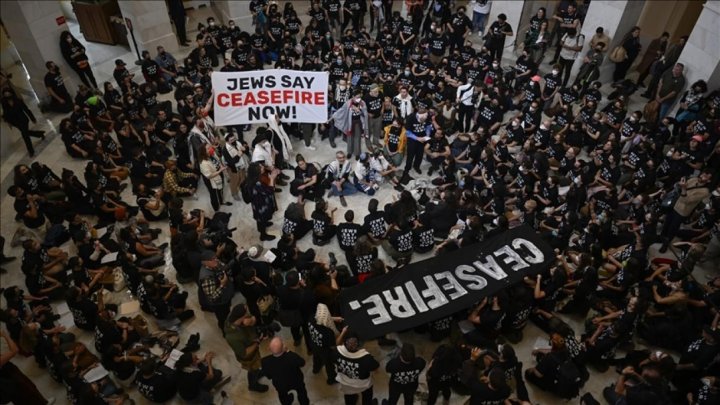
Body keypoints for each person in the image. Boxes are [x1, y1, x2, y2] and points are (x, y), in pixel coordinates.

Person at [660, 171, 712, 252]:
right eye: (703, 174)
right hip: (675, 204)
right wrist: (680, 185)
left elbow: (687, 200)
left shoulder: (705, 191)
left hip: (682, 211)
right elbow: (680, 188)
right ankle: (661, 237)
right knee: (667, 222)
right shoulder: (694, 179)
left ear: (708, 181)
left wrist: (683, 188)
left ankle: (666, 243)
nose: (702, 176)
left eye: (705, 176)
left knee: (673, 228)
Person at [224, 304, 269, 392]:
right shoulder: (232, 337)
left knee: (256, 368)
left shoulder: (235, 318)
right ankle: (253, 385)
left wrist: (252, 320)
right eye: (246, 313)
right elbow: (244, 353)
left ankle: (257, 372)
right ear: (241, 317)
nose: (248, 313)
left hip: (252, 345)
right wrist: (258, 341)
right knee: (252, 370)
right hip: (248, 357)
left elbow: (252, 318)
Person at [335, 328, 380, 405]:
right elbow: (375, 368)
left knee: (349, 396)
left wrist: (343, 332)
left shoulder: (337, 352)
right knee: (367, 396)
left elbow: (337, 344)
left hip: (345, 382)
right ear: (358, 343)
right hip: (363, 384)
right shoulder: (366, 358)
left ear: (344, 342)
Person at [261, 336, 309, 405]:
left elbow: (269, 376)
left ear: (269, 349)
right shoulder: (291, 357)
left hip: (281, 385)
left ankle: (286, 403)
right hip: (296, 381)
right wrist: (288, 351)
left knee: (282, 395)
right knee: (302, 392)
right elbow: (302, 363)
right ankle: (304, 403)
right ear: (283, 347)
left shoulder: (265, 361)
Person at [197, 250, 234, 333]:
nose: (216, 260)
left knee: (227, 311)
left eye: (216, 258)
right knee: (223, 317)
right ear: (205, 262)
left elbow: (223, 267)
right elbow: (212, 297)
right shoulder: (206, 277)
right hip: (219, 303)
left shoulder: (214, 263)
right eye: (212, 259)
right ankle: (225, 330)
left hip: (225, 295)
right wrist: (222, 284)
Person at [1, 87, 45, 157]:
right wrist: (8, 121)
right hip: (14, 122)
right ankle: (39, 134)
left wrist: (32, 118)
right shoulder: (3, 102)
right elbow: (6, 112)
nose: (7, 96)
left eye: (8, 94)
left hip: (23, 120)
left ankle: (31, 151)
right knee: (26, 132)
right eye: (6, 95)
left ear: (12, 94)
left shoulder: (18, 101)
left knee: (25, 135)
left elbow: (26, 110)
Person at [246, 162, 278, 241]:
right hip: (261, 205)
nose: (263, 167)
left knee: (260, 219)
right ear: (256, 171)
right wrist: (272, 179)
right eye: (260, 168)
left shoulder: (251, 178)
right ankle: (263, 235)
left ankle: (263, 225)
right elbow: (270, 190)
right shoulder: (257, 183)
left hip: (257, 203)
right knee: (262, 218)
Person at [198, 144, 230, 211]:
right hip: (211, 180)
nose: (211, 149)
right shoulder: (203, 163)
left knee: (220, 189)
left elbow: (218, 161)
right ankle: (216, 208)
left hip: (218, 174)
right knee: (214, 194)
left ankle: (221, 201)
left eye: (210, 147)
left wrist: (221, 167)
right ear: (204, 152)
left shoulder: (212, 155)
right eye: (208, 148)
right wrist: (220, 171)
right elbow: (209, 175)